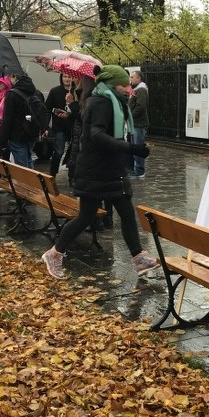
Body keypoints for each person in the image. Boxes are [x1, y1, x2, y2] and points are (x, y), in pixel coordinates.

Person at [41, 65, 158, 279]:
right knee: (85, 216)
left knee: (127, 213)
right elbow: (96, 135)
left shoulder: (114, 102)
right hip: (95, 170)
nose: (127, 87)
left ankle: (139, 258)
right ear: (113, 84)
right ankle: (55, 254)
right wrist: (131, 148)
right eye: (123, 84)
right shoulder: (101, 103)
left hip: (111, 168)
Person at [0, 70, 38, 169]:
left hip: (17, 134)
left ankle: (26, 184)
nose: (8, 80)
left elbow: (7, 119)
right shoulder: (35, 92)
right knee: (28, 161)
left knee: (22, 167)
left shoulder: (12, 94)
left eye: (9, 77)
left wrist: (3, 141)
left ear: (14, 76)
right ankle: (33, 183)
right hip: (31, 132)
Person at [45, 72, 77, 177]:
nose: (67, 79)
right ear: (61, 78)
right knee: (59, 151)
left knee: (74, 152)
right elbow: (48, 109)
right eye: (65, 77)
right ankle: (53, 173)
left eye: (69, 77)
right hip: (59, 126)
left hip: (73, 125)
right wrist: (45, 126)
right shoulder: (55, 91)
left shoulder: (76, 91)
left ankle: (72, 176)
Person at [128, 70, 149, 177]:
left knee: (138, 146)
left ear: (139, 78)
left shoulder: (141, 90)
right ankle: (134, 169)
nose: (130, 79)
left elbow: (140, 107)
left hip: (139, 123)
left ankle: (140, 170)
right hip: (134, 123)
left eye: (132, 77)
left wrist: (130, 116)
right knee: (133, 147)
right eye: (130, 77)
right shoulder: (134, 89)